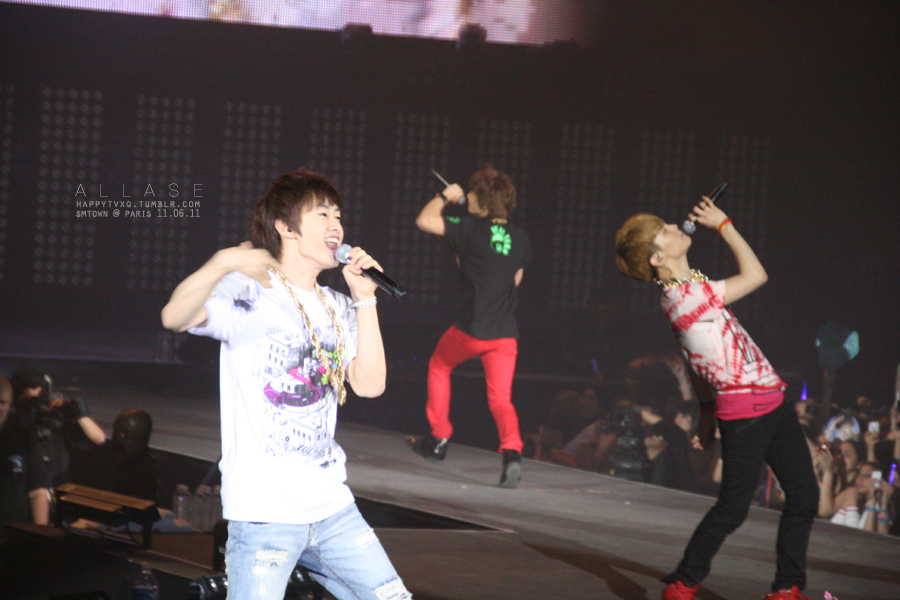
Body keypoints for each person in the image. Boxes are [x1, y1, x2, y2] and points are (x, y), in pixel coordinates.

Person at [161, 169, 411, 600]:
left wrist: (364, 297)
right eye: (322, 214)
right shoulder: (251, 291)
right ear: (285, 227)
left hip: (332, 508)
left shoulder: (338, 305)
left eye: (338, 216)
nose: (336, 226)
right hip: (265, 514)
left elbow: (370, 385)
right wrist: (222, 263)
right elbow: (174, 316)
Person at [614, 196, 818, 600]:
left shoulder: (687, 289)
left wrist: (706, 413)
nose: (676, 227)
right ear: (656, 258)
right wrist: (724, 224)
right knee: (733, 508)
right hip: (747, 411)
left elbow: (697, 361)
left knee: (804, 495)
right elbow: (757, 275)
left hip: (771, 400)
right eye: (665, 231)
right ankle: (683, 583)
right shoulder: (685, 298)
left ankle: (787, 588)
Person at [406, 165, 532, 488]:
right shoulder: (521, 238)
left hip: (472, 329)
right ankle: (512, 453)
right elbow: (515, 280)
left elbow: (424, 220)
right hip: (505, 335)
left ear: (484, 201)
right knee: (501, 399)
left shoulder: (468, 228)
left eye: (473, 194)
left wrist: (445, 196)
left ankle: (439, 439)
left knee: (439, 365)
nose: (469, 198)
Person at [0, 375, 51, 537]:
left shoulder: (21, 435)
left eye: (2, 402)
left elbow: (37, 491)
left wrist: (39, 535)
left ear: (10, 404)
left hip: (14, 538)